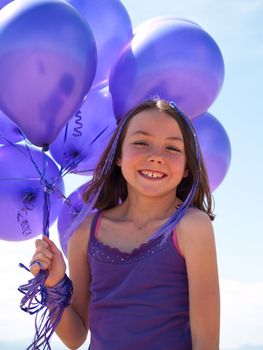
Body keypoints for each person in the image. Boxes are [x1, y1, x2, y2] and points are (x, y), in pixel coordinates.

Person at [30, 99, 220, 350]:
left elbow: (206, 343)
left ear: (187, 167)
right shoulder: (85, 231)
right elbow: (75, 336)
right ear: (118, 155)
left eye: (172, 148)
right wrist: (54, 284)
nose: (156, 157)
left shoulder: (192, 227)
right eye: (141, 143)